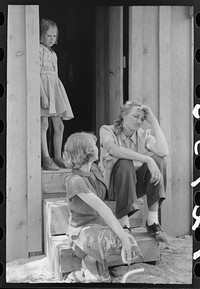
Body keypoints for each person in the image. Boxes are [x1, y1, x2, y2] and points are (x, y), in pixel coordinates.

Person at [63, 132, 143, 283]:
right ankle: (89, 260)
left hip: (98, 228)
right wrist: (124, 239)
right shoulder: (74, 180)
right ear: (87, 151)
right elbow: (103, 208)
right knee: (123, 238)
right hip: (82, 234)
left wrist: (105, 168)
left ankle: (97, 260)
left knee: (127, 239)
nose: (98, 148)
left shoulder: (92, 169)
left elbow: (102, 192)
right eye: (94, 145)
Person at [99, 100, 169, 243]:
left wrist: (154, 121)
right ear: (124, 115)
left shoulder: (143, 135)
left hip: (131, 188)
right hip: (109, 187)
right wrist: (147, 160)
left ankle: (152, 221)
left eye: (142, 119)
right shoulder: (107, 130)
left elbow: (163, 151)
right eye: (135, 116)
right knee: (125, 162)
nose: (139, 121)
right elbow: (115, 150)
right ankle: (124, 223)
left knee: (159, 160)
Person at [40, 19, 74, 170]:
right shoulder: (38, 50)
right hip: (43, 89)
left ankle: (58, 157)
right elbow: (36, 73)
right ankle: (46, 158)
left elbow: (55, 75)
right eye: (49, 35)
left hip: (54, 89)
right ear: (41, 34)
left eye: (54, 36)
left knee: (59, 126)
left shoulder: (54, 54)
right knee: (44, 124)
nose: (52, 39)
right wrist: (42, 95)